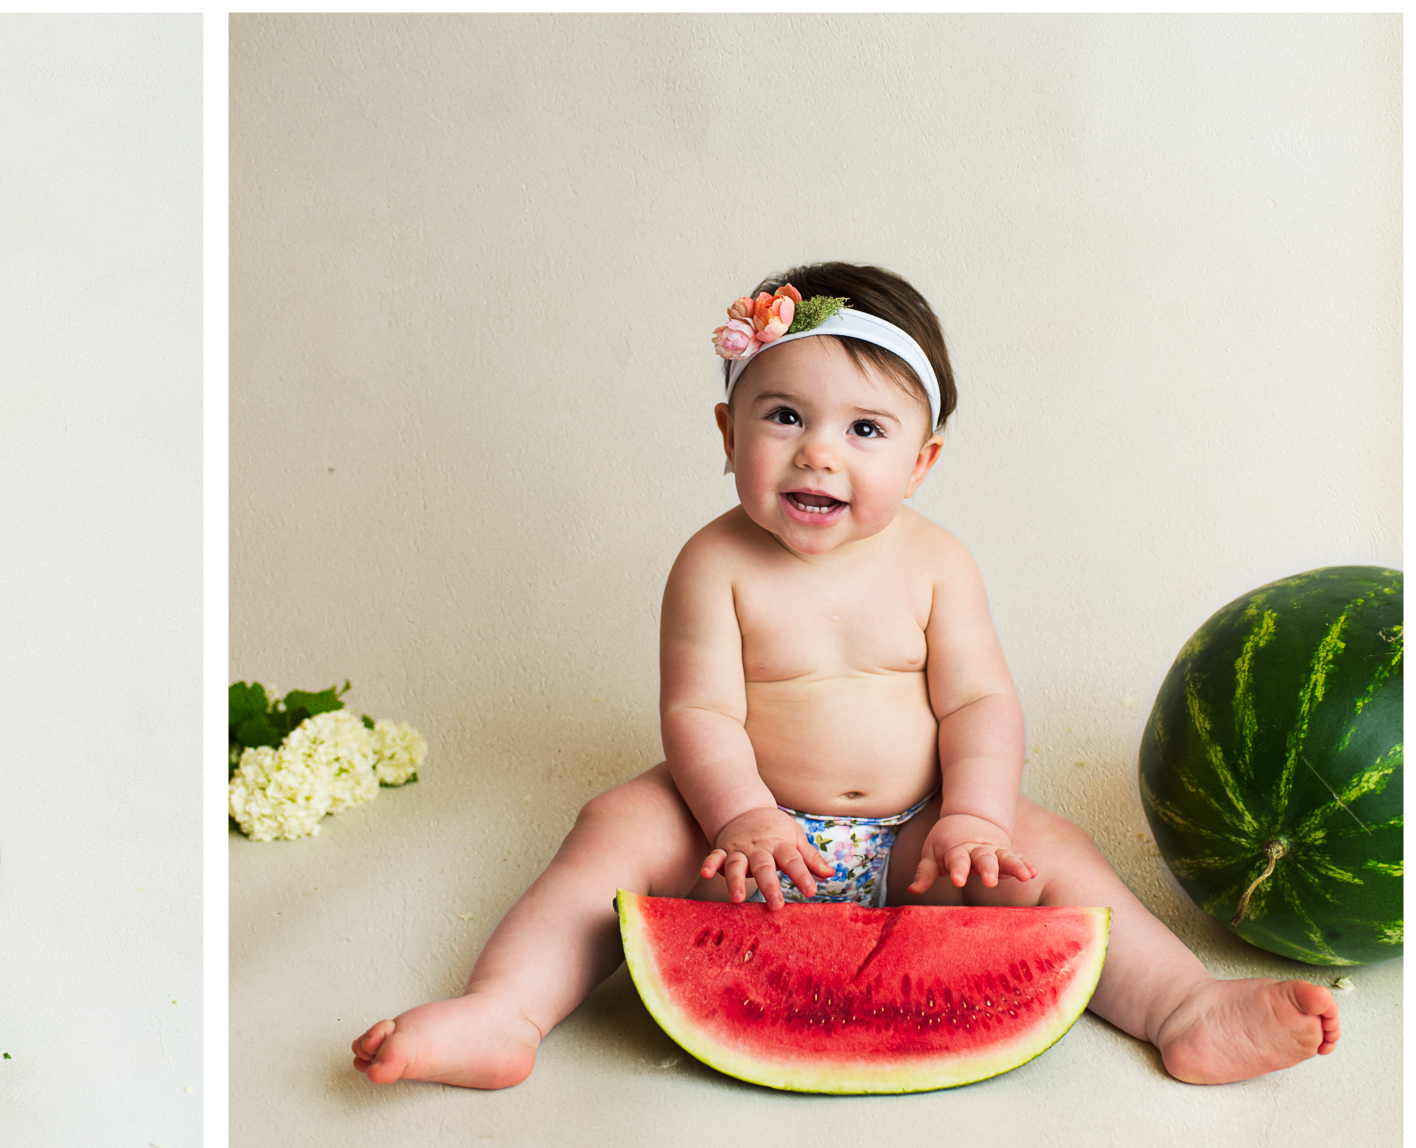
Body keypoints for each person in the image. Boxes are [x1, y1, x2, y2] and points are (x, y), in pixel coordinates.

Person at [352, 264, 1341, 1090]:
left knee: (1055, 855)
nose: (818, 452)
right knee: (612, 830)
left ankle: (1183, 1006)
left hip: (920, 834)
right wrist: (739, 816)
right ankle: (505, 1011)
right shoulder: (713, 564)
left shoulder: (937, 563)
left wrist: (978, 818)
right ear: (727, 430)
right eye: (783, 416)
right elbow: (699, 709)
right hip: (744, 839)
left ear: (922, 460)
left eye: (866, 430)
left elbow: (978, 702)